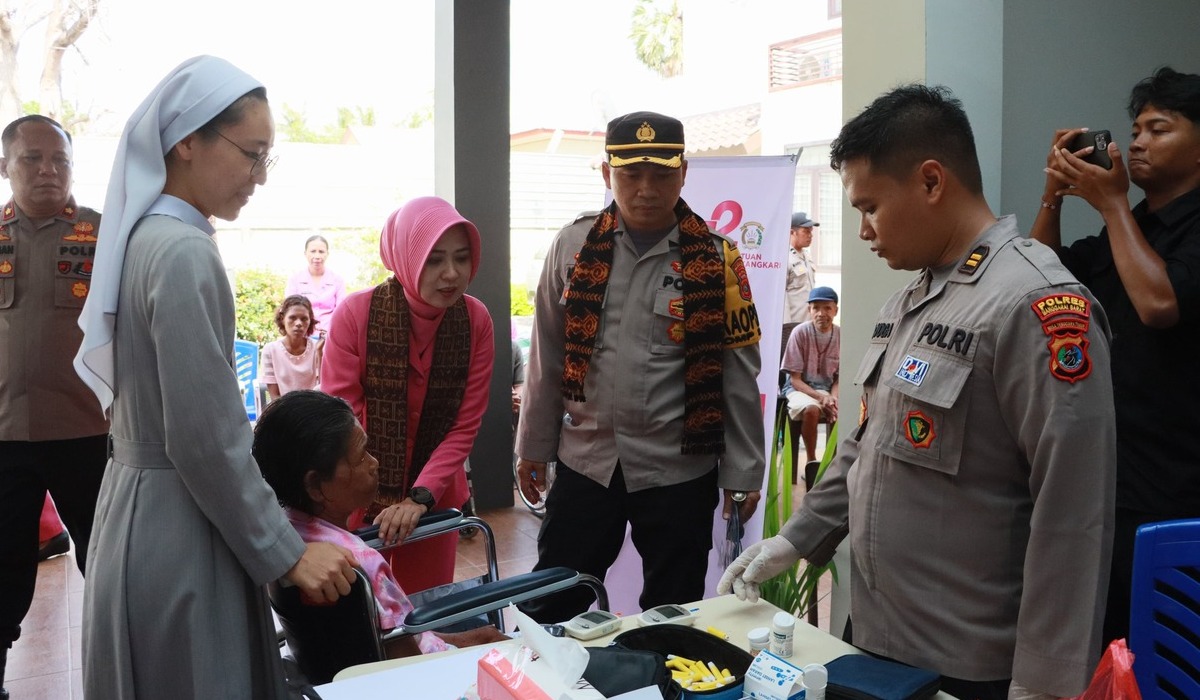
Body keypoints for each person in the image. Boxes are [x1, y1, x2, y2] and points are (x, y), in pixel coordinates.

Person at [719, 85, 1116, 700]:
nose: (863, 232)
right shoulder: (913, 298)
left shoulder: (1031, 305)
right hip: (877, 636)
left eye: (870, 207)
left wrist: (1046, 684)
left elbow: (1074, 514)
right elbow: (867, 440)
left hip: (970, 663)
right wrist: (794, 539)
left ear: (931, 181)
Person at [73, 56, 358, 700]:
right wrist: (285, 551)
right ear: (187, 142)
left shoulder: (146, 237)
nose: (259, 176)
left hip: (137, 506)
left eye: (267, 159)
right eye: (251, 154)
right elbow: (206, 436)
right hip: (179, 523)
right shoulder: (181, 251)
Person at [515, 110, 766, 624]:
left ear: (684, 173)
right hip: (588, 462)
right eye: (631, 174)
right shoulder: (573, 247)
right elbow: (548, 355)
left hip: (678, 471)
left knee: (672, 614)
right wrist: (532, 448)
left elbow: (737, 374)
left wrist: (742, 472)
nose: (646, 188)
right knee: (555, 603)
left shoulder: (717, 260)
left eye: (661, 174)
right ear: (608, 174)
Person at [1031, 66, 1200, 646]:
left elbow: (1160, 302)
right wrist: (1052, 196)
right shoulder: (1132, 225)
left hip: (1176, 485)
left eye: (1159, 128)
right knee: (1103, 644)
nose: (1136, 143)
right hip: (1107, 472)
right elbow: (1042, 280)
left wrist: (1111, 206)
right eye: (1134, 130)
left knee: (1161, 647)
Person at [321, 195, 495, 595]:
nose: (451, 274)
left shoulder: (476, 320)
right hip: (358, 493)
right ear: (406, 256)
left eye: (461, 257)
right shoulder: (355, 314)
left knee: (423, 610)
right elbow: (342, 417)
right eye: (434, 259)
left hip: (434, 501)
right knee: (364, 608)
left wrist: (420, 497)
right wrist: (378, 491)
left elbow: (464, 423)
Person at [253, 390, 507, 658]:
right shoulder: (361, 564)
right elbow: (405, 652)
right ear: (316, 486)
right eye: (361, 456)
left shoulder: (284, 538)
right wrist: (466, 646)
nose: (374, 464)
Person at [0, 113, 107, 700]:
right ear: (5, 165)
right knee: (2, 572)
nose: (48, 170)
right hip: (6, 439)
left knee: (110, 565)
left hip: (88, 434)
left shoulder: (103, 234)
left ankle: (124, 678)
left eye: (60, 159)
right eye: (32, 158)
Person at [781, 286, 840, 467]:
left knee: (846, 408)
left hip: (828, 389)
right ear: (809, 310)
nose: (821, 313)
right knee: (811, 409)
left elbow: (839, 378)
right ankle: (811, 462)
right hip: (798, 388)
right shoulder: (799, 333)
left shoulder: (841, 335)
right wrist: (822, 397)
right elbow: (795, 379)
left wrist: (833, 398)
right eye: (816, 308)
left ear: (835, 310)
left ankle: (835, 466)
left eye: (827, 308)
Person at [261, 294, 323, 401]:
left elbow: (323, 389)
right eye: (292, 318)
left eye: (304, 319)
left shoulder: (317, 348)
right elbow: (274, 396)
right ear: (282, 319)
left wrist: (320, 353)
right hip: (283, 411)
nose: (298, 323)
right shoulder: (270, 350)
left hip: (313, 411)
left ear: (310, 321)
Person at [285, 234, 346, 334]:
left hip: (330, 334)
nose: (317, 256)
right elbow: (289, 309)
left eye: (321, 252)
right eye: (313, 251)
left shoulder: (337, 280)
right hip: (302, 334)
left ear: (327, 254)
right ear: (305, 253)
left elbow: (341, 312)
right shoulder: (295, 279)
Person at [783, 211, 819, 324]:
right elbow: (782, 296)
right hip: (793, 323)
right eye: (806, 231)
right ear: (792, 232)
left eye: (811, 231)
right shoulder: (785, 257)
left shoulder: (806, 256)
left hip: (809, 322)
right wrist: (786, 327)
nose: (810, 235)